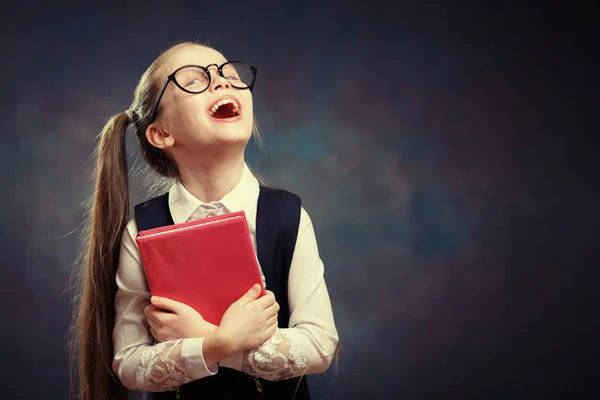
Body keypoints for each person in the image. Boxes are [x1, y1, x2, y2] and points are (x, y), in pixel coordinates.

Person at [73, 42, 339, 400]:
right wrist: (223, 340)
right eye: (195, 80)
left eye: (230, 74)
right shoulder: (142, 232)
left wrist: (205, 338)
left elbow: (321, 345)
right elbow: (130, 362)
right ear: (161, 133)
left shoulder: (289, 219)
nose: (223, 82)